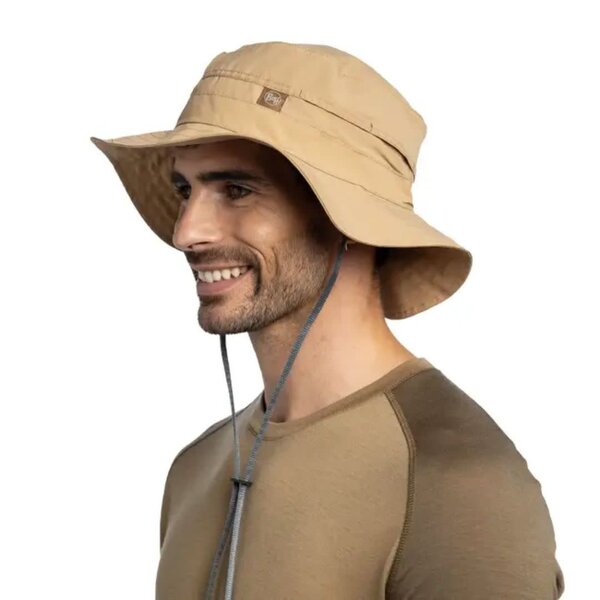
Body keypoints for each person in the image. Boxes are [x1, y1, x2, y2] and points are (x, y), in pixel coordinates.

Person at [91, 41, 565, 600]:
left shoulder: (457, 481)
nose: (185, 232)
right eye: (184, 190)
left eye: (237, 190)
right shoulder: (196, 467)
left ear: (349, 218)